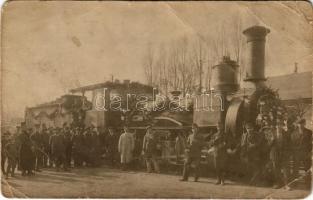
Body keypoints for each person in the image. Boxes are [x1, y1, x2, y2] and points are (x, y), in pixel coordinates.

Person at [290, 119, 312, 185]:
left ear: (304, 124)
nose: (300, 125)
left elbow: (311, 143)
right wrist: (294, 152)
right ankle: (294, 182)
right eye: (299, 124)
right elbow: (292, 144)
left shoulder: (309, 132)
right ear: (297, 124)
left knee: (307, 168)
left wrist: (310, 152)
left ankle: (308, 183)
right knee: (295, 168)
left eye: (302, 123)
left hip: (306, 153)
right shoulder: (293, 133)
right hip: (297, 154)